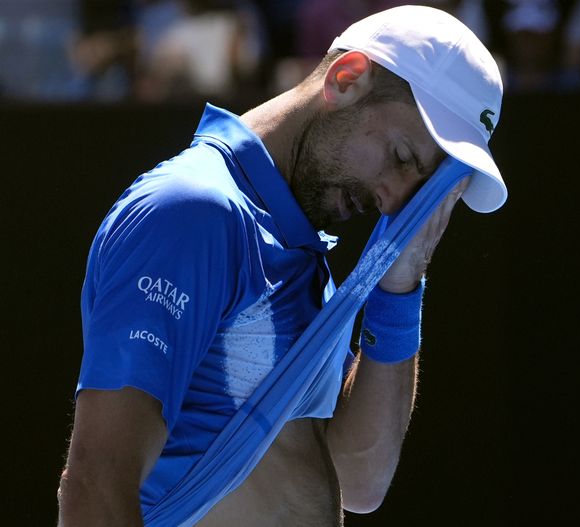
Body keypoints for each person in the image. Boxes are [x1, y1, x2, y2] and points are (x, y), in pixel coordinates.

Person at [57, 5, 507, 526]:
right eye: (403, 156)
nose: (393, 201)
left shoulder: (300, 251)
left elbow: (359, 481)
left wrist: (399, 286)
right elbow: (94, 482)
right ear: (347, 78)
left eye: (419, 186)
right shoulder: (194, 212)